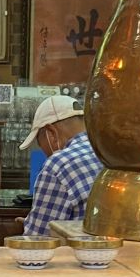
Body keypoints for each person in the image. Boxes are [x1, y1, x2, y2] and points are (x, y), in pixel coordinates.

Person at [19, 97, 103, 238]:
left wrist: (32, 227)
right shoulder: (110, 152)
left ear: (51, 133)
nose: (44, 152)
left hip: (78, 257)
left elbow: (38, 240)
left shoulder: (58, 165)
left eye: (40, 143)